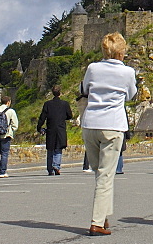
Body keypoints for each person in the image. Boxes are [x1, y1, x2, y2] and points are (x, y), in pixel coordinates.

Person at [80, 32, 137, 236]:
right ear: (121, 52)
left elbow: (85, 89)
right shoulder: (128, 72)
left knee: (100, 174)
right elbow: (131, 94)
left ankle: (103, 216)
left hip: (90, 124)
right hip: (112, 125)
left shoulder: (93, 68)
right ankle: (96, 222)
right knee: (106, 175)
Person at [38, 85, 73, 176]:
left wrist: (39, 127)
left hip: (50, 128)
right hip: (60, 128)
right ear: (60, 93)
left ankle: (50, 168)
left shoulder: (47, 104)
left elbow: (42, 117)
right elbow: (70, 115)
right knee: (58, 148)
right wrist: (63, 117)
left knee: (50, 148)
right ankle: (56, 166)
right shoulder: (65, 104)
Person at [0, 95, 18, 178]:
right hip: (6, 135)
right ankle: (2, 172)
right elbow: (15, 125)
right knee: (4, 153)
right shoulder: (11, 111)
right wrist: (11, 130)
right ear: (8, 102)